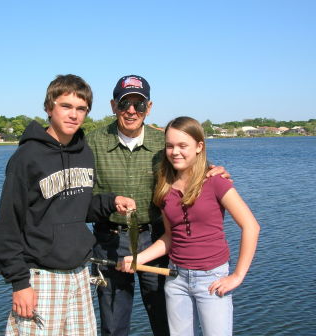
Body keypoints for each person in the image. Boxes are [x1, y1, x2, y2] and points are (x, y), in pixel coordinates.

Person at [0, 74, 136, 336]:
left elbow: (78, 207)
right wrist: (19, 283)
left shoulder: (84, 152)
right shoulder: (26, 158)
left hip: (79, 274)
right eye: (66, 106)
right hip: (40, 277)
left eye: (81, 109)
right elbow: (7, 226)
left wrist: (110, 202)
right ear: (49, 108)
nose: (73, 115)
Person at [86, 75, 230, 336]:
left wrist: (213, 171)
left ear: (148, 108)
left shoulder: (163, 143)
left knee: (166, 320)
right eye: (124, 103)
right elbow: (81, 199)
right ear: (113, 106)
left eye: (138, 105)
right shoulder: (91, 143)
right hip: (108, 242)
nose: (131, 111)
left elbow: (191, 168)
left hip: (156, 240)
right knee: (113, 324)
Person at [119, 116, 260, 336]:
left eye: (183, 145)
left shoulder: (215, 181)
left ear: (199, 147)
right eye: (170, 146)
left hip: (212, 280)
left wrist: (238, 275)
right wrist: (138, 259)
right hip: (176, 279)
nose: (175, 152)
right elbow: (169, 237)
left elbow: (251, 226)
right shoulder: (165, 188)